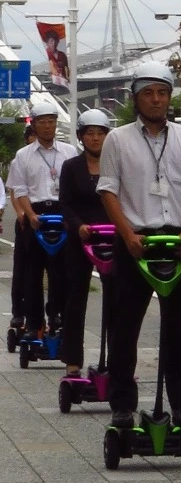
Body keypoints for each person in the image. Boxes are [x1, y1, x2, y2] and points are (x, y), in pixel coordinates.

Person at [97, 62, 181, 429]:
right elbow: (108, 190)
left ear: (170, 96)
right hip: (136, 242)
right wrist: (127, 235)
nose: (156, 99)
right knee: (124, 328)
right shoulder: (118, 138)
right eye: (148, 93)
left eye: (162, 92)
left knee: (179, 330)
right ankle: (123, 405)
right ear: (136, 98)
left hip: (178, 242)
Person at [8, 100, 77, 339]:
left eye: (51, 121)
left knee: (61, 272)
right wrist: (29, 214)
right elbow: (19, 189)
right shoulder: (23, 155)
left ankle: (58, 316)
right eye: (42, 122)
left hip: (62, 215)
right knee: (32, 274)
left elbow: (73, 187)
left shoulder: (69, 152)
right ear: (34, 125)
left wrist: (71, 216)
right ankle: (34, 323)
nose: (48, 126)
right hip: (34, 215)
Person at [58, 108, 113, 376]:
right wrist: (78, 226)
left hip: (113, 238)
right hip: (81, 240)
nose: (95, 138)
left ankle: (117, 360)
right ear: (81, 137)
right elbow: (65, 203)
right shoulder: (71, 167)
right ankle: (72, 361)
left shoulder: (117, 164)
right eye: (89, 133)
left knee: (117, 299)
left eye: (100, 133)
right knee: (76, 299)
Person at [6, 123, 37, 334]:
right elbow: (15, 191)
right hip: (27, 220)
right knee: (23, 269)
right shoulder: (21, 159)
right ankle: (18, 311)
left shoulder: (61, 155)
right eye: (32, 136)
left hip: (50, 220)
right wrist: (20, 213)